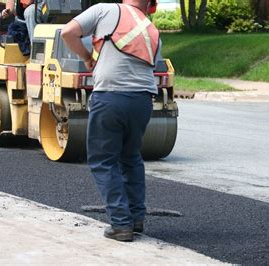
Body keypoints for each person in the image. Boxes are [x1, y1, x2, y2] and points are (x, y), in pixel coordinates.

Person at [61, 0, 159, 241]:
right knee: (131, 157)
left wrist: (86, 57)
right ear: (149, 4)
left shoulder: (105, 10)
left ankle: (121, 224)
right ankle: (136, 219)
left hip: (111, 97)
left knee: (103, 160)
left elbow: (67, 32)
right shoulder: (151, 30)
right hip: (143, 100)